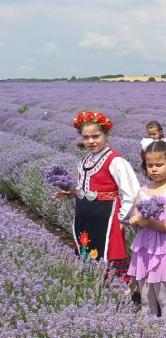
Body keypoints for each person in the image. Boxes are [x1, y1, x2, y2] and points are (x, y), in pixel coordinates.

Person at [54, 111, 140, 276]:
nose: (91, 141)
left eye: (95, 136)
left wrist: (122, 218)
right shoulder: (85, 160)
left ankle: (115, 289)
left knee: (109, 250)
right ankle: (93, 282)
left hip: (107, 215)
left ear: (106, 134)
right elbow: (83, 187)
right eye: (86, 137)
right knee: (88, 246)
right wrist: (69, 193)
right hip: (86, 215)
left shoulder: (115, 161)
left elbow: (130, 192)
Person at [127, 139, 166, 322]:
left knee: (164, 297)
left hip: (165, 251)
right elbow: (137, 215)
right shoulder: (143, 190)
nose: (153, 169)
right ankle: (149, 330)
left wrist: (155, 225)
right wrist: (135, 220)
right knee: (146, 297)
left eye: (159, 165)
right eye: (149, 165)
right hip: (144, 249)